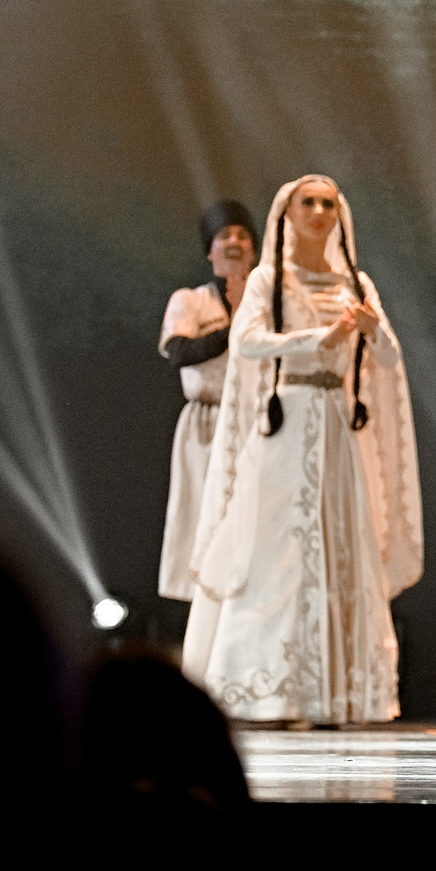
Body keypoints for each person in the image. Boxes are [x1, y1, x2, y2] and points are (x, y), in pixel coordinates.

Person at [184, 176, 422, 725]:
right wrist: (314, 341)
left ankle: (336, 695)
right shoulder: (269, 279)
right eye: (307, 202)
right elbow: (247, 342)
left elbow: (388, 359)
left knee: (341, 543)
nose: (319, 211)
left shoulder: (355, 282)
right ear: (287, 213)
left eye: (328, 203)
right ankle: (274, 691)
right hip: (286, 422)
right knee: (279, 550)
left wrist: (371, 331)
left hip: (339, 426)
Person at [155, 199, 257, 602]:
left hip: (256, 422)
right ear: (209, 250)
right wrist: (232, 328)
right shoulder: (191, 301)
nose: (234, 241)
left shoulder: (269, 306)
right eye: (224, 235)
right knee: (203, 516)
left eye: (243, 235)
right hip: (206, 422)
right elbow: (179, 351)